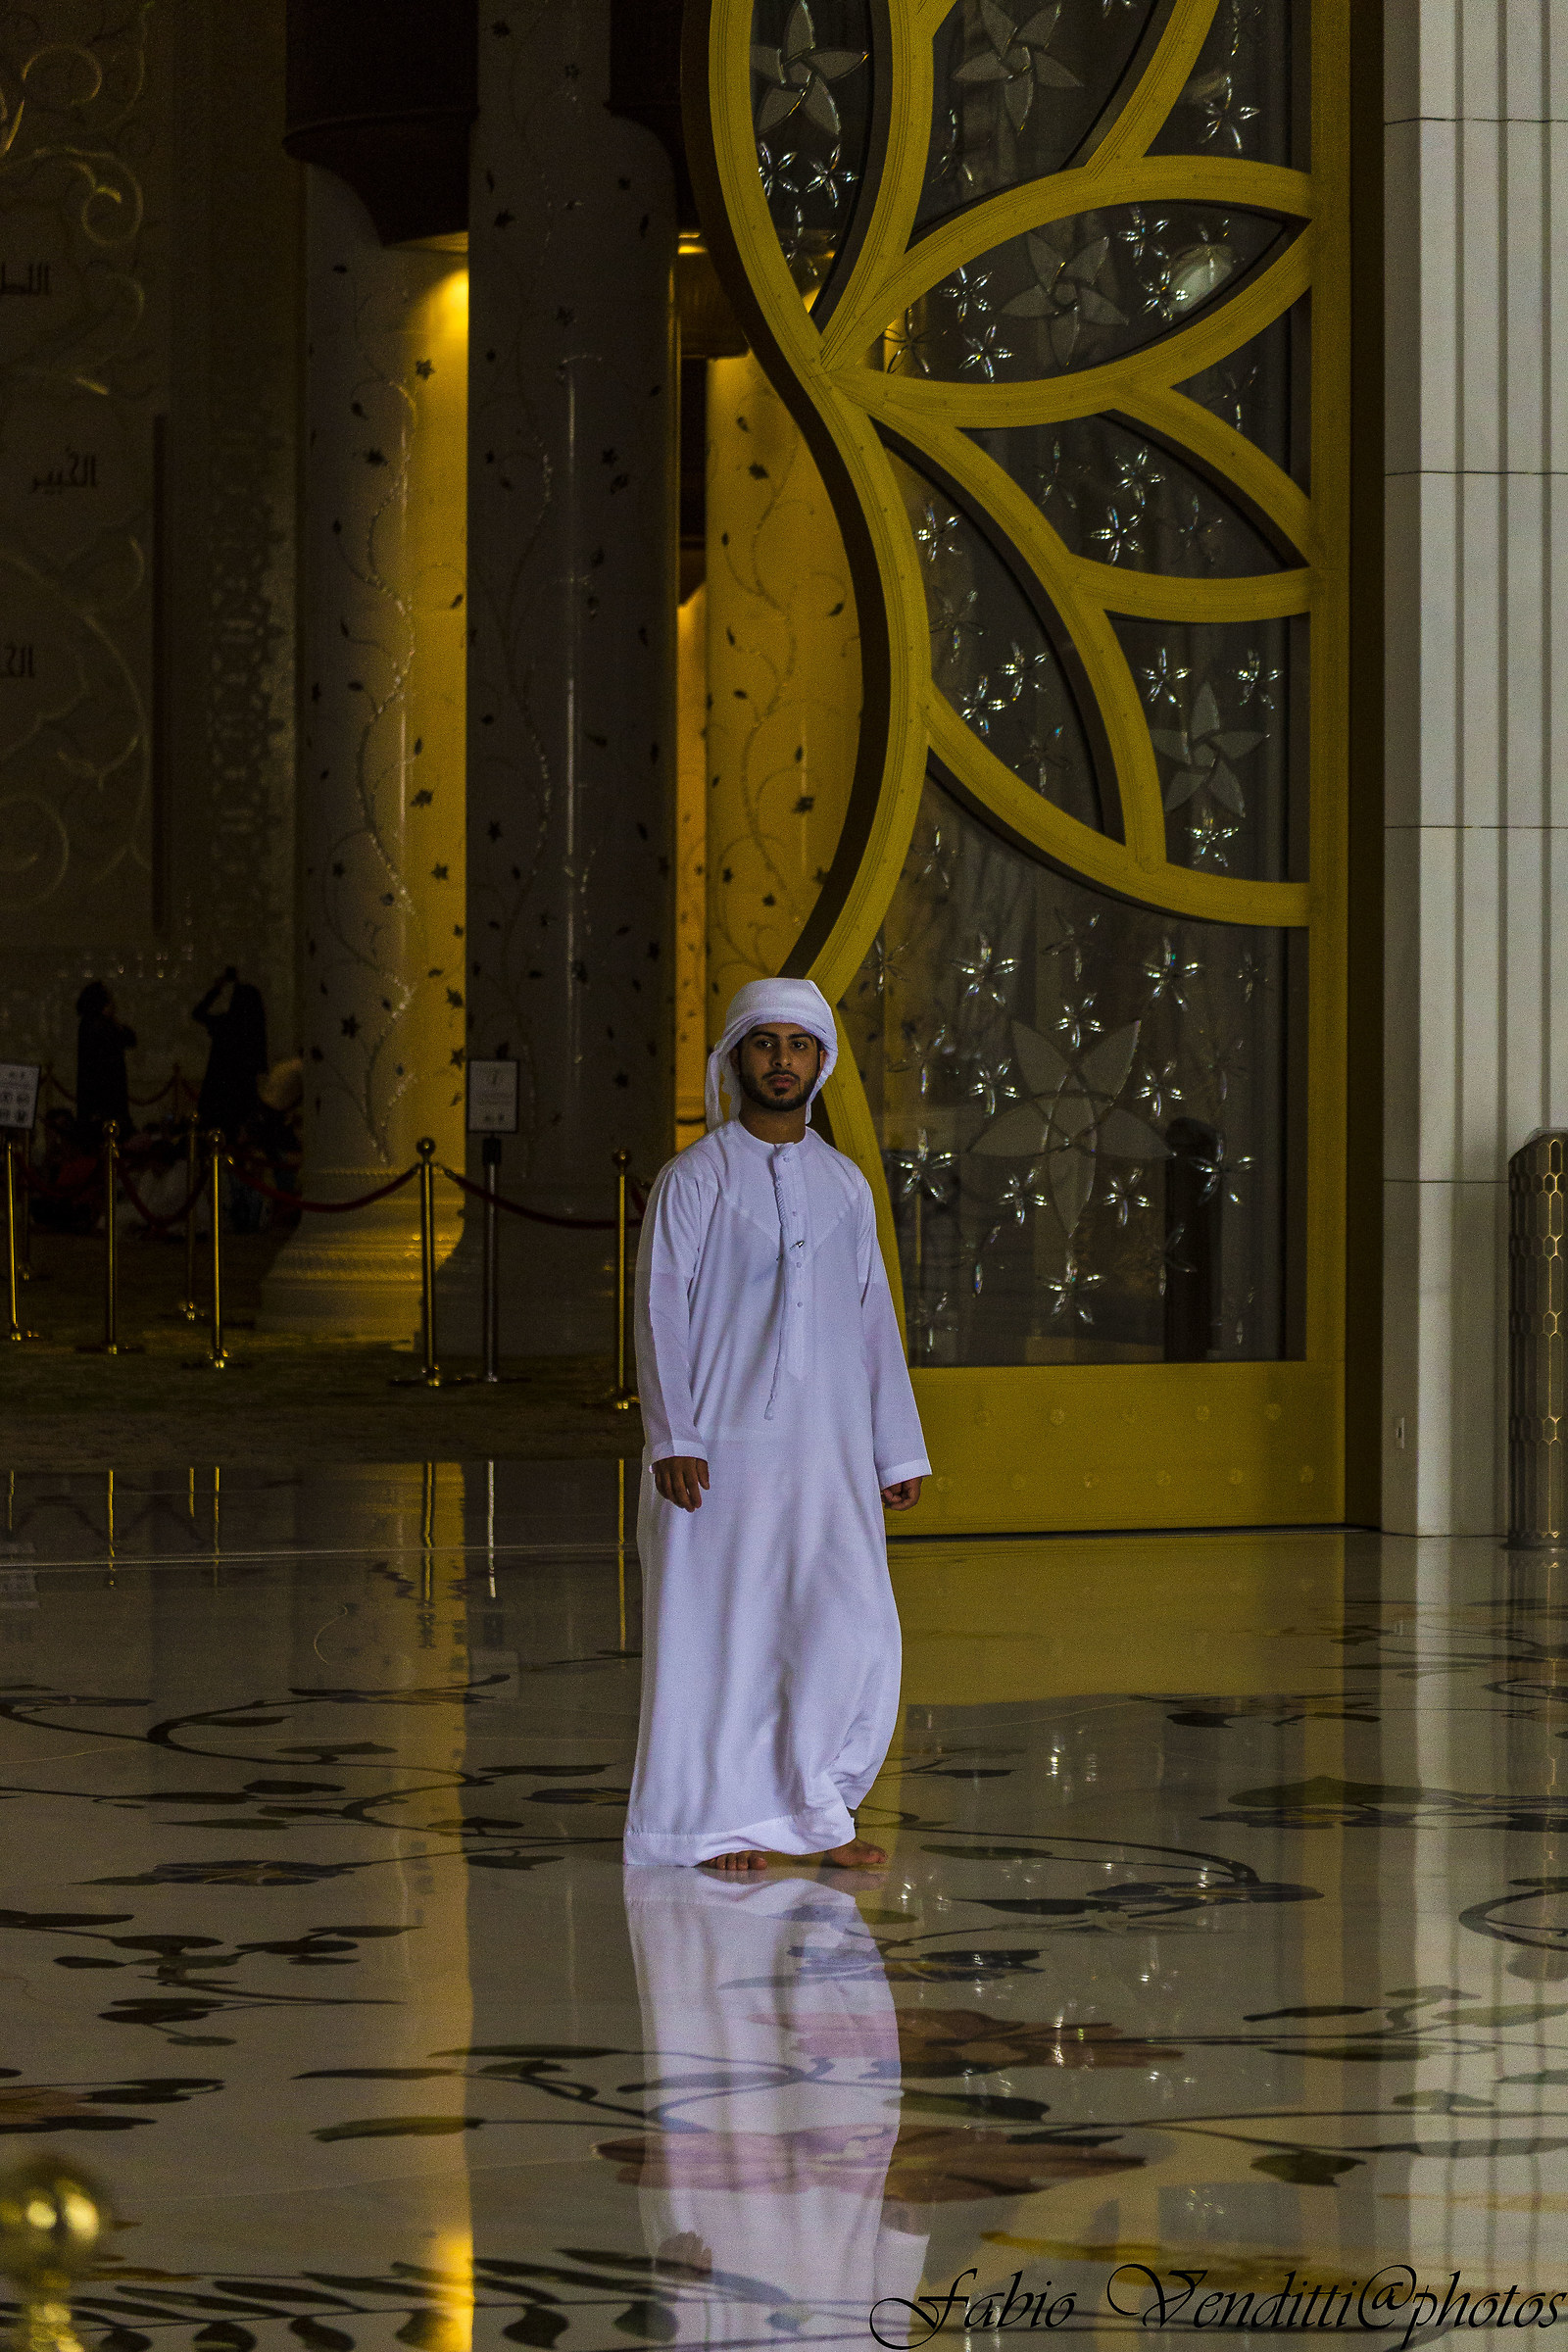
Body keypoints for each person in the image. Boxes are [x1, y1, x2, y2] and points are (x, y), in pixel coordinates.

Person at [624, 976, 930, 1874]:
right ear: (736, 1058)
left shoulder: (844, 1185)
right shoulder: (695, 1179)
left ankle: (817, 1808)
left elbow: (873, 1322)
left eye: (799, 1045)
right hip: (720, 1455)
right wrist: (674, 1438)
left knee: (851, 1625)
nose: (782, 1061)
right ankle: (717, 1825)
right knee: (726, 1638)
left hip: (830, 1454)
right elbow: (659, 1314)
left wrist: (896, 1447)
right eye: (766, 1044)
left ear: (821, 1062)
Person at [191, 967, 269, 1140]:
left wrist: (216, 989)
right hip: (239, 1094)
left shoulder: (226, 1024)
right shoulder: (252, 1034)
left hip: (218, 1090)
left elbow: (198, 1013)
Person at [74, 980, 135, 1142]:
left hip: (94, 1100)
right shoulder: (105, 1027)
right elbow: (130, 1039)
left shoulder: (88, 1025)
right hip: (107, 1100)